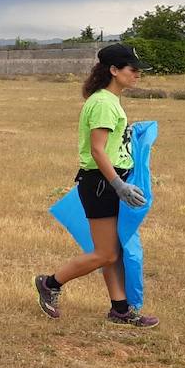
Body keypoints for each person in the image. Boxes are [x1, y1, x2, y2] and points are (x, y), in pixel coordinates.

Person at [34, 43, 159, 327]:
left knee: (113, 251)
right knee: (107, 253)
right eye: (133, 69)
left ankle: (120, 310)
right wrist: (118, 185)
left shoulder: (109, 100)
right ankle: (50, 283)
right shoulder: (103, 103)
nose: (138, 74)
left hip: (108, 181)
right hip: (102, 184)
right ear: (114, 70)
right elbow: (97, 150)